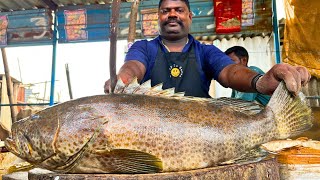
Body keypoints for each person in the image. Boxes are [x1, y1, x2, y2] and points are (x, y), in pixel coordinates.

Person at [104, 0, 310, 98]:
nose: (172, 14)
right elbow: (132, 67)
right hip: (153, 134)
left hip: (203, 131)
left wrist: (260, 81)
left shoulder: (205, 51)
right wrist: (123, 78)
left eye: (179, 10)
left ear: (190, 17)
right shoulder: (144, 48)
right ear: (158, 18)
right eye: (166, 11)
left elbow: (230, 72)